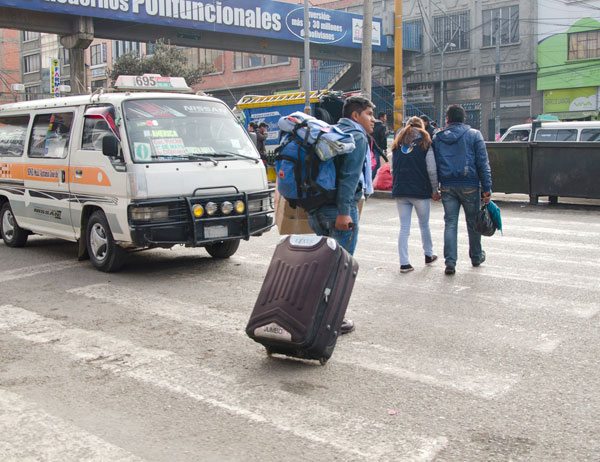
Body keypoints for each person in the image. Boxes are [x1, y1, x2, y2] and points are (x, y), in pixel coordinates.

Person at [307, 96, 375, 334]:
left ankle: (314, 313)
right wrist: (345, 213)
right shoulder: (357, 137)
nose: (373, 120)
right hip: (339, 212)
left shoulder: (330, 132)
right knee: (340, 267)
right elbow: (349, 179)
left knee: (325, 264)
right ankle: (333, 318)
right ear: (355, 116)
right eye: (369, 114)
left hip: (317, 210)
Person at [432, 105, 492, 275]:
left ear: (447, 119)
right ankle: (476, 256)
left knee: (450, 223)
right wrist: (487, 188)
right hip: (470, 184)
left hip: (447, 185)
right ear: (463, 118)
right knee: (473, 222)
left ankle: (450, 262)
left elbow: (433, 165)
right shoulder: (474, 135)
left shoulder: (438, 138)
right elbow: (483, 163)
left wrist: (435, 187)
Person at [391, 116, 440, 273]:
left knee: (404, 227)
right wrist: (435, 190)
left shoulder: (397, 144)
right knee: (424, 225)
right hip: (420, 190)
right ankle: (428, 254)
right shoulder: (425, 142)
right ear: (421, 127)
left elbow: (392, 169)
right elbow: (431, 169)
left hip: (400, 190)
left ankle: (404, 263)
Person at [371, 112, 388, 178]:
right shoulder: (382, 127)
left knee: (376, 164)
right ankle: (372, 179)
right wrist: (385, 148)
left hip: (371, 146)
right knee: (376, 164)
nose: (386, 119)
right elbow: (383, 138)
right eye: (385, 117)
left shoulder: (372, 125)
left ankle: (375, 178)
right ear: (381, 117)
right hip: (378, 147)